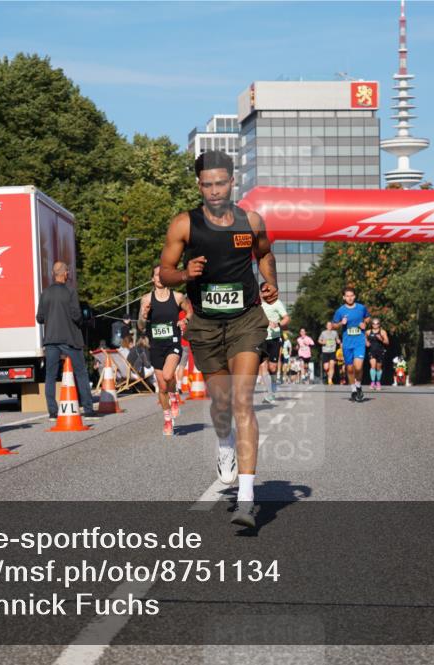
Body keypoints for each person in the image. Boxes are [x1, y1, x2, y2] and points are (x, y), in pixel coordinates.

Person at [159, 149, 277, 528]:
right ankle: (224, 442)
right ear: (199, 185)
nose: (214, 191)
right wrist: (185, 274)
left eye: (220, 183)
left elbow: (265, 254)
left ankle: (246, 499)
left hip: (246, 321)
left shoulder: (250, 221)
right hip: (206, 326)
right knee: (222, 404)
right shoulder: (184, 224)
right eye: (207, 184)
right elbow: (165, 271)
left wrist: (270, 283)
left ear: (232, 182)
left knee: (242, 400)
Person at [37, 261, 96, 421]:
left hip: (50, 339)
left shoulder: (45, 293)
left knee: (50, 375)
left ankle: (52, 412)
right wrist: (83, 321)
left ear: (53, 274)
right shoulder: (70, 291)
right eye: (68, 272)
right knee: (81, 372)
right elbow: (76, 315)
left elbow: (40, 318)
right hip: (70, 338)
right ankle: (88, 409)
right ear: (65, 274)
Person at [138, 265, 193, 436]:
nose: (160, 278)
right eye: (156, 275)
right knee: (162, 387)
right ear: (152, 279)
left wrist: (185, 321)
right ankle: (168, 419)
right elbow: (140, 326)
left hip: (173, 343)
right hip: (155, 346)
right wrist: (144, 316)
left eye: (162, 275)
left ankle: (174, 394)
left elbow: (190, 312)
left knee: (169, 376)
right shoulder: (146, 299)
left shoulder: (177, 297)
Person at [330, 286, 370, 402]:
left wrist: (364, 323)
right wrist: (341, 323)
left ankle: (358, 386)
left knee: (358, 366)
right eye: (347, 296)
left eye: (351, 295)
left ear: (355, 296)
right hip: (347, 343)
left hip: (359, 342)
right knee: (350, 368)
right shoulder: (340, 311)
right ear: (344, 297)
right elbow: (333, 325)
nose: (350, 298)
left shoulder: (361, 308)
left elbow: (368, 318)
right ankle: (353, 390)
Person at [260, 295, 289, 403]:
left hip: (274, 338)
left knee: (272, 368)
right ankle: (269, 393)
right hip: (261, 338)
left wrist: (278, 324)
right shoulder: (257, 304)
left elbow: (286, 318)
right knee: (263, 365)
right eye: (263, 291)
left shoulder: (277, 303)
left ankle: (273, 384)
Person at [366, 318, 390, 390]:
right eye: (373, 323)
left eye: (377, 324)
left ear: (379, 324)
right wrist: (366, 342)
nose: (375, 325)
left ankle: (378, 382)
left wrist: (381, 339)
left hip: (380, 351)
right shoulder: (368, 332)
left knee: (378, 368)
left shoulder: (382, 332)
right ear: (372, 324)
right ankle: (373, 382)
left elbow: (387, 342)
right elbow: (363, 338)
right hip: (371, 351)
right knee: (372, 366)